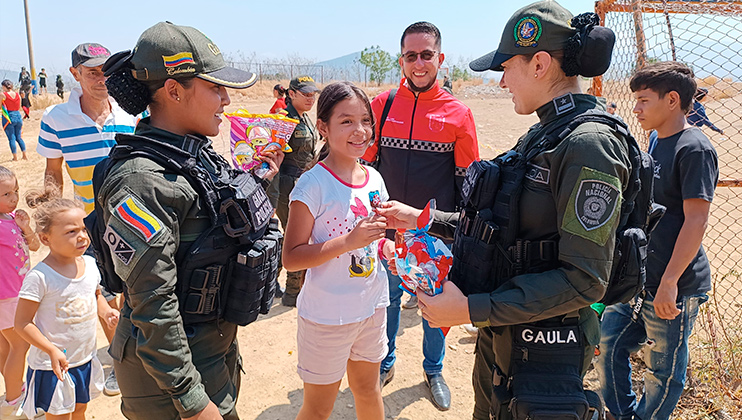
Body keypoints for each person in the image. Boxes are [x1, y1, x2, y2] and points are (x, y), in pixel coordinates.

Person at [376, 3, 628, 419]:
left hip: (545, 355)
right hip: (510, 335)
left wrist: (472, 310)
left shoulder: (588, 145)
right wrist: (423, 218)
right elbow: (505, 231)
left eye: (507, 67)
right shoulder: (547, 133)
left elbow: (586, 280)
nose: (501, 80)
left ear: (540, 64)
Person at [98, 21, 282, 420]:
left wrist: (262, 183)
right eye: (215, 88)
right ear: (174, 90)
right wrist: (193, 402)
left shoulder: (196, 157)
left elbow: (237, 233)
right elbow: (153, 305)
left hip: (211, 356)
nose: (226, 100)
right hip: (167, 386)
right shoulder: (140, 182)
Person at [359, 21, 479, 411]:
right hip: (389, 232)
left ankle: (434, 370)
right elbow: (363, 166)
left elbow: (469, 184)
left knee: (432, 307)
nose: (419, 62)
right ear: (402, 61)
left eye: (426, 54)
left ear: (440, 59)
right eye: (411, 55)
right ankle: (386, 361)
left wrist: (458, 232)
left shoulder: (459, 114)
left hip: (432, 235)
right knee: (388, 301)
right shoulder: (383, 105)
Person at [596, 62, 718, 420]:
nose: (636, 108)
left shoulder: (695, 148)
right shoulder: (654, 140)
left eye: (643, 100)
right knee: (608, 345)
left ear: (672, 100)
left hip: (674, 285)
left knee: (663, 372)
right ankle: (622, 415)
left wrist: (668, 283)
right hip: (640, 279)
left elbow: (697, 220)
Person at [283, 81, 394, 420]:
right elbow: (291, 257)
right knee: (318, 409)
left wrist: (389, 248)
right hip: (327, 317)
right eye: (346, 121)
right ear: (323, 127)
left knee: (367, 389)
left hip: (372, 307)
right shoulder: (312, 185)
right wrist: (348, 242)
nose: (359, 130)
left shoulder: (374, 178)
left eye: (365, 120)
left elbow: (374, 240)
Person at [36, 42, 136, 396]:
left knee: (131, 288)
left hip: (133, 222)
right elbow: (52, 173)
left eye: (106, 71)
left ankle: (128, 353)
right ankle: (121, 365)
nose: (101, 79)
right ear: (75, 74)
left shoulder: (129, 114)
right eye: (92, 72)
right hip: (90, 224)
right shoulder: (56, 120)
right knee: (102, 291)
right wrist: (53, 219)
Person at [15, 187, 119, 420]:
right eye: (71, 231)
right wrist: (50, 349)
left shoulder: (90, 265)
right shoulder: (40, 277)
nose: (82, 236)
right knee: (59, 415)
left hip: (83, 358)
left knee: (80, 409)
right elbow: (22, 323)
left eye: (83, 228)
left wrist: (107, 312)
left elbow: (96, 296)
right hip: (53, 365)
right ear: (45, 238)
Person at [271, 75, 321, 307]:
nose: (311, 98)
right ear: (291, 94)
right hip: (287, 185)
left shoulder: (306, 119)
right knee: (295, 237)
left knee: (299, 236)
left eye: (313, 94)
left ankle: (282, 287)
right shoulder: (284, 120)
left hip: (303, 183)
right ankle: (291, 293)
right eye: (306, 94)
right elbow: (271, 156)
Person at [0, 166, 40, 420]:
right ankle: (14, 400)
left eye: (15, 191)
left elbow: (34, 246)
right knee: (20, 345)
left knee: (8, 347)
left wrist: (25, 227)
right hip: (7, 296)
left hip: (16, 292)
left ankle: (14, 392)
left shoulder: (12, 218)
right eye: (6, 194)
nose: (14, 198)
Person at [1, 80, 28, 160]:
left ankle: (15, 157)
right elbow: (18, 106)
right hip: (18, 116)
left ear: (4, 86)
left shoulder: (3, 95)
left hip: (9, 117)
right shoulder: (17, 95)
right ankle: (24, 155)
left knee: (11, 138)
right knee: (19, 137)